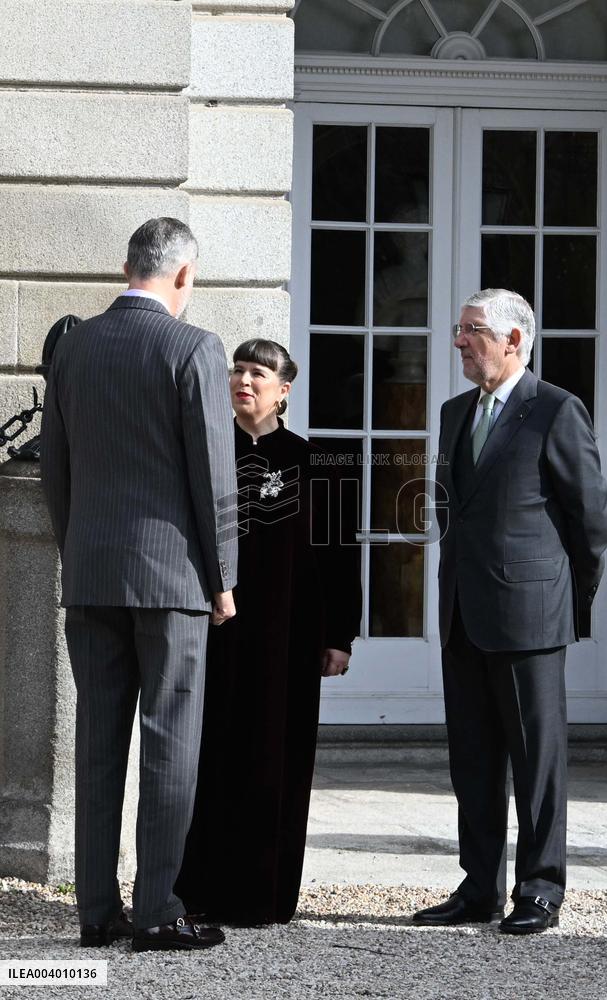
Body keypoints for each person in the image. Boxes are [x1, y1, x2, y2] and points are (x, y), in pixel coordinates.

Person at [40, 218, 238, 952]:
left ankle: (96, 912)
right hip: (172, 578)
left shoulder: (74, 347)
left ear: (128, 266)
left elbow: (54, 472)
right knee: (169, 742)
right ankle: (157, 909)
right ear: (182, 275)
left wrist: (78, 550)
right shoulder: (193, 348)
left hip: (90, 572)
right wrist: (223, 582)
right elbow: (215, 479)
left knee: (98, 743)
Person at [414, 288, 607, 934]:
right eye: (459, 329)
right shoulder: (452, 413)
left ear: (514, 341)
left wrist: (564, 600)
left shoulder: (555, 410)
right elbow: (454, 510)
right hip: (463, 614)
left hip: (530, 616)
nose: (460, 341)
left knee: (536, 761)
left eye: (473, 330)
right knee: (471, 760)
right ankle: (478, 888)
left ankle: (541, 889)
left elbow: (591, 523)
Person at [175, 338, 361, 926]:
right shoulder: (203, 453)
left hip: (291, 636)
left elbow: (339, 557)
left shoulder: (318, 464)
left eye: (258, 373)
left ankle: (264, 896)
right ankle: (198, 890)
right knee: (209, 753)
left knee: (277, 756)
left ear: (284, 390)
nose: (244, 381)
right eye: (237, 370)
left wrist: (340, 635)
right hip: (213, 631)